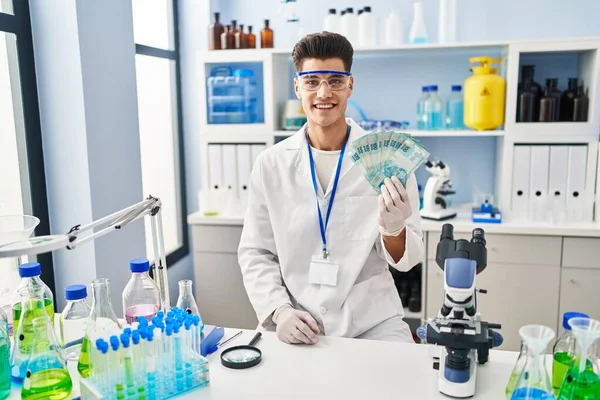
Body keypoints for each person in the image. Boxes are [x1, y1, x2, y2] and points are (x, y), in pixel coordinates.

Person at [238, 32, 424, 345]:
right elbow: (256, 252)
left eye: (335, 80)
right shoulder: (271, 164)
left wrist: (394, 231)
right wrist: (279, 311)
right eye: (312, 81)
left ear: (350, 85)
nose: (324, 92)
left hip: (373, 322)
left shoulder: (388, 162)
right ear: (297, 86)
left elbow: (407, 260)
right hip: (298, 320)